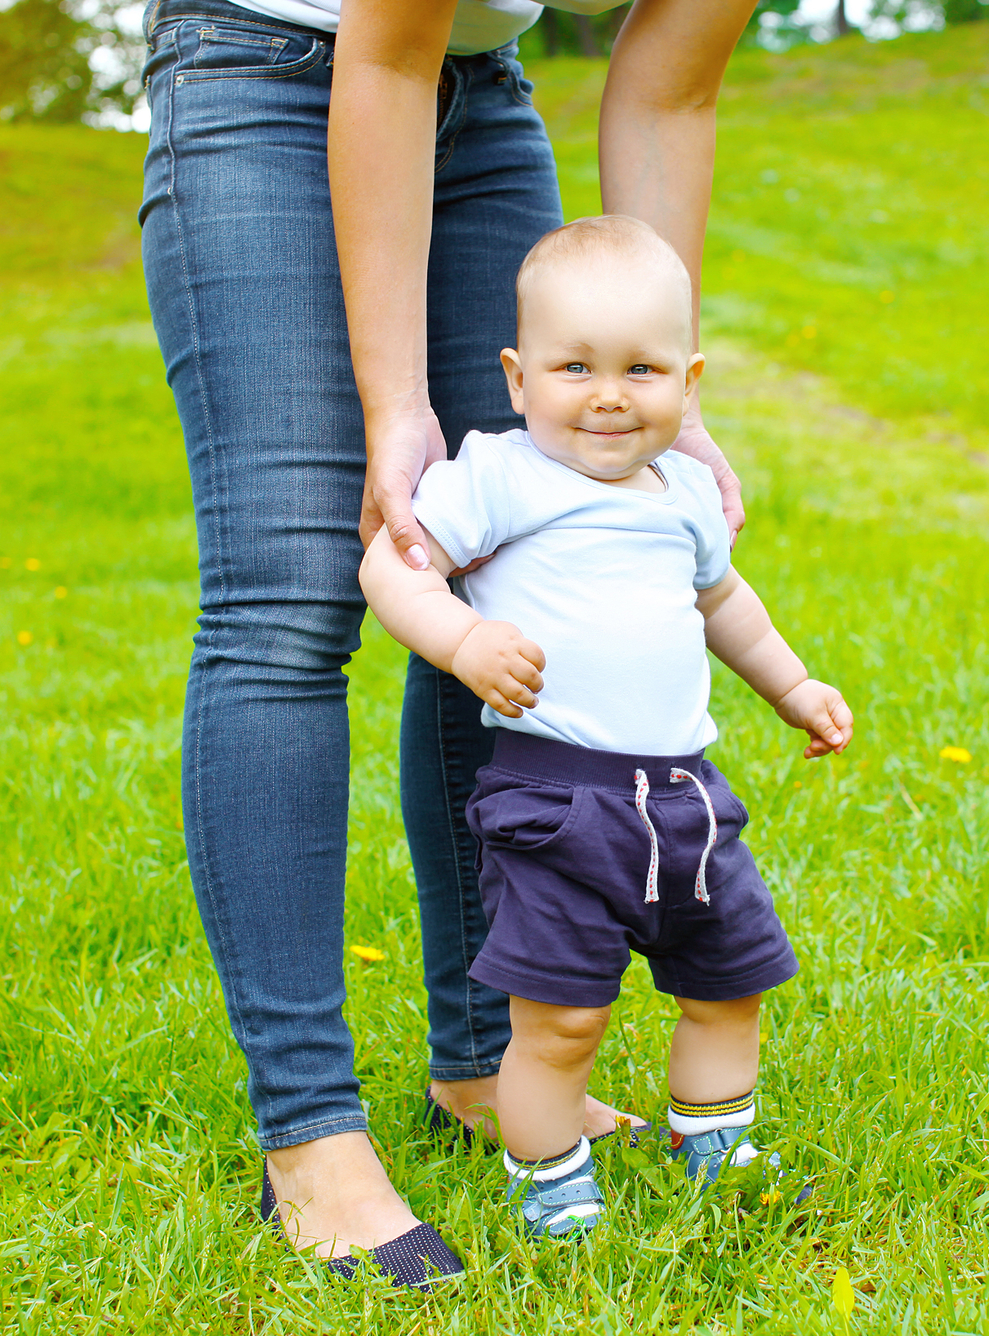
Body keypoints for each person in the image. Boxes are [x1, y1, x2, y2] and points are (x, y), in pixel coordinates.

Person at [138, 0, 758, 1287]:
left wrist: (665, 397)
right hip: (269, 75)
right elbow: (383, 51)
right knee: (297, 593)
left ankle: (483, 1062)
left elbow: (667, 88)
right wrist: (397, 404)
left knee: (499, 587)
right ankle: (308, 1133)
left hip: (481, 97)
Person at [361, 215, 854, 1238]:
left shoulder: (679, 492)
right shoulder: (498, 474)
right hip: (555, 800)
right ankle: (549, 1180)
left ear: (689, 380)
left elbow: (723, 605)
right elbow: (388, 566)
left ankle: (713, 1143)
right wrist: (459, 641)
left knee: (727, 987)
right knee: (561, 1017)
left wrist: (792, 685)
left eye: (641, 368)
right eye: (573, 366)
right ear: (515, 376)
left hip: (686, 799)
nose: (607, 395)